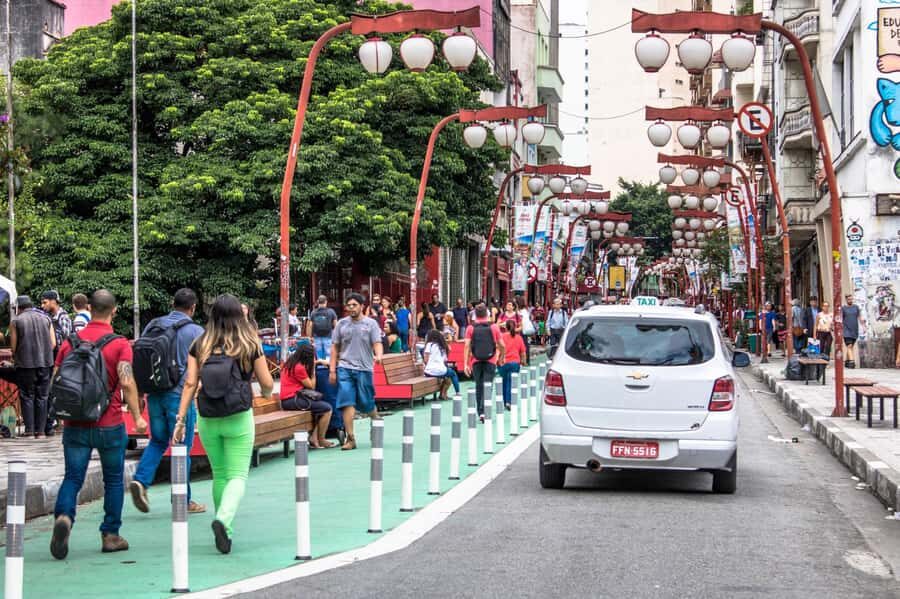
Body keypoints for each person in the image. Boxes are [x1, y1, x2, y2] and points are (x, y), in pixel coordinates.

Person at [50, 290, 148, 559]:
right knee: (114, 480)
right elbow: (126, 381)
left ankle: (64, 519)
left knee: (73, 477)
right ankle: (110, 535)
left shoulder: (70, 342)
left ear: (89, 308)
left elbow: (57, 378)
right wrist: (138, 417)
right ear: (113, 311)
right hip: (110, 422)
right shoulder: (119, 344)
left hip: (75, 423)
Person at [173, 293, 274, 554]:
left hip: (208, 417)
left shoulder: (200, 343)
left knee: (219, 474)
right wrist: (264, 393)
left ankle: (225, 532)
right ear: (239, 316)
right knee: (238, 475)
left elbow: (190, 383)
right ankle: (223, 520)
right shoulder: (249, 343)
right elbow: (266, 383)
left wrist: (181, 419)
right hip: (239, 416)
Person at [129, 288, 206, 516]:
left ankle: (141, 481)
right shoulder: (195, 331)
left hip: (154, 392)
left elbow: (143, 359)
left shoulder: (154, 324)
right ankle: (183, 499)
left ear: (173, 303)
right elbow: (203, 364)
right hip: (179, 396)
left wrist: (142, 393)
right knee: (182, 448)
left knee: (158, 441)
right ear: (192, 308)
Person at [329, 293, 383, 451]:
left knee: (366, 403)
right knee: (347, 401)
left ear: (361, 306)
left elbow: (377, 342)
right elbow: (334, 347)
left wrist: (379, 355)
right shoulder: (341, 324)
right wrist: (332, 370)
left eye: (354, 305)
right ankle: (350, 438)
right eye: (349, 305)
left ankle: (375, 418)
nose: (351, 308)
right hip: (345, 368)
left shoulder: (371, 324)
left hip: (364, 369)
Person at [10, 295, 55, 437]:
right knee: (43, 396)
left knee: (27, 395)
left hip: (26, 364)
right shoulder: (46, 318)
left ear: (19, 307)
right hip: (46, 363)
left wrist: (16, 356)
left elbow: (13, 346)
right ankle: (40, 431)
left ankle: (29, 430)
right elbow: (53, 343)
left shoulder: (16, 321)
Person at [279, 344, 334, 448]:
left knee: (320, 407)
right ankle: (321, 439)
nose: (314, 359)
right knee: (327, 409)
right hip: (292, 400)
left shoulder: (291, 363)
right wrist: (313, 370)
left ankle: (314, 438)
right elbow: (311, 386)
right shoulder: (299, 368)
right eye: (313, 357)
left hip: (289, 399)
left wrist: (319, 362)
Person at [463, 303, 504, 421]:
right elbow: (502, 345)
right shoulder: (494, 327)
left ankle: (480, 412)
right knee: (488, 384)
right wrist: (501, 357)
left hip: (475, 360)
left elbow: (466, 346)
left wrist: (466, 364)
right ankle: (485, 410)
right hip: (491, 359)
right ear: (487, 314)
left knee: (478, 385)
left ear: (475, 314)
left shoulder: (470, 328)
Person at [422, 329, 460, 400]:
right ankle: (457, 392)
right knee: (453, 374)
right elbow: (445, 360)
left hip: (428, 371)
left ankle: (443, 395)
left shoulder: (429, 345)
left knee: (447, 378)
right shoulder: (442, 346)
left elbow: (426, 360)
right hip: (441, 370)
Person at [499, 319, 526, 410]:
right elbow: (523, 352)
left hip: (503, 362)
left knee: (504, 381)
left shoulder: (502, 336)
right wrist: (523, 362)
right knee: (511, 382)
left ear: (506, 327)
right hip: (515, 363)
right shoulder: (519, 338)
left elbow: (498, 349)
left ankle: (504, 401)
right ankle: (509, 401)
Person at [306, 295, 338, 361]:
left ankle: (320, 368)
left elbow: (310, 325)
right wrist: (336, 336)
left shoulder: (313, 312)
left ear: (318, 302)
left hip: (317, 337)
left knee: (319, 355)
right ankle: (327, 368)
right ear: (326, 302)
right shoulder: (331, 312)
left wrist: (309, 337)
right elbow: (336, 325)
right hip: (328, 337)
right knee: (328, 355)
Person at [842, 294, 863, 368]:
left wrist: (863, 326)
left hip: (854, 330)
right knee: (849, 345)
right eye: (849, 299)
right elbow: (840, 319)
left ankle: (846, 362)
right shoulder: (843, 308)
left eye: (851, 299)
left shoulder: (856, 307)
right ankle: (852, 362)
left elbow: (859, 316)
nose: (850, 300)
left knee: (850, 346)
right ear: (846, 300)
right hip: (846, 330)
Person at [516, 296, 535, 365]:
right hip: (523, 330)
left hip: (522, 330)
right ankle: (525, 360)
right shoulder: (525, 311)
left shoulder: (521, 312)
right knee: (524, 345)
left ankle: (524, 360)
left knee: (523, 345)